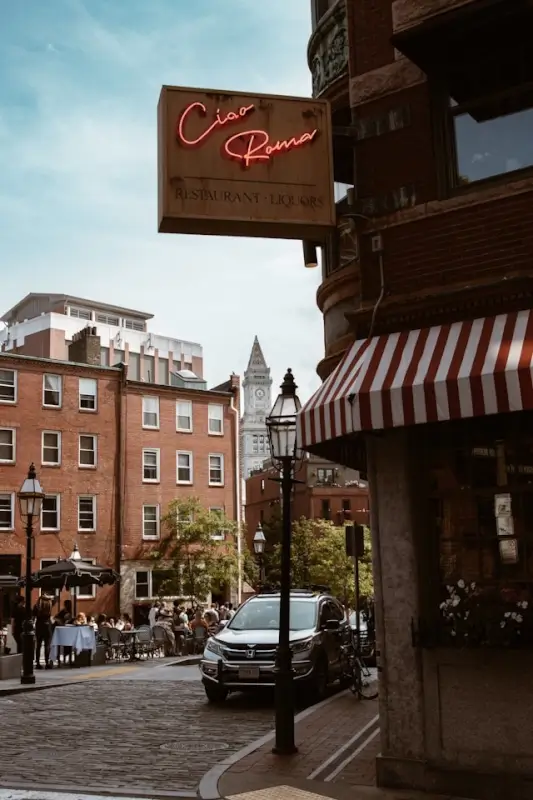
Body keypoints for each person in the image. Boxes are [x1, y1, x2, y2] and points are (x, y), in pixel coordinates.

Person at [33, 594, 54, 669]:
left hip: (39, 626)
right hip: (47, 625)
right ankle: (47, 662)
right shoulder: (49, 605)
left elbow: (33, 616)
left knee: (38, 645)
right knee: (47, 645)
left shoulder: (37, 606)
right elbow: (54, 598)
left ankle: (38, 662)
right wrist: (48, 597)